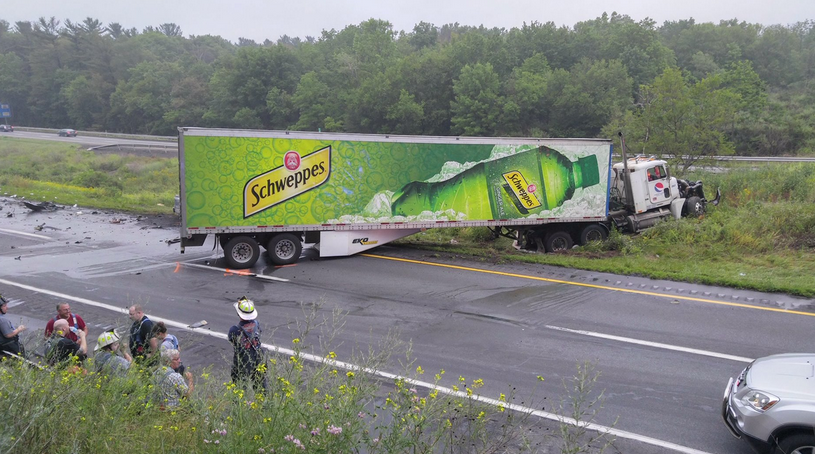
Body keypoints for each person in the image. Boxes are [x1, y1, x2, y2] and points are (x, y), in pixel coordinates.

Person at [228, 296, 267, 391]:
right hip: (258, 355)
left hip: (243, 359)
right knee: (260, 383)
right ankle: (263, 399)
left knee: (240, 384)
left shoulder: (234, 329)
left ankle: (240, 399)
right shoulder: (256, 324)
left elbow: (232, 340)